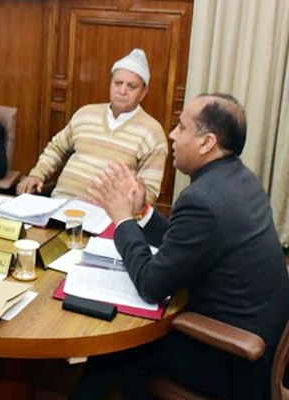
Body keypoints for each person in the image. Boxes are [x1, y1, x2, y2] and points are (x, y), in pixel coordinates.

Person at [71, 94, 289, 400]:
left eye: (182, 128)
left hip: (232, 358)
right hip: (256, 341)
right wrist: (141, 212)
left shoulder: (203, 200)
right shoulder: (240, 179)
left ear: (207, 142)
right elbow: (185, 245)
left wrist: (122, 220)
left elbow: (151, 285)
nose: (172, 135)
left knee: (114, 348)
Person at [17, 48, 167, 204]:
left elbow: (149, 193)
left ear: (143, 92)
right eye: (118, 83)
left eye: (131, 86)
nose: (122, 91)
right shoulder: (86, 113)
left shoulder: (152, 133)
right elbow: (57, 148)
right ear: (110, 84)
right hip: (60, 203)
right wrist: (37, 174)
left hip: (106, 214)